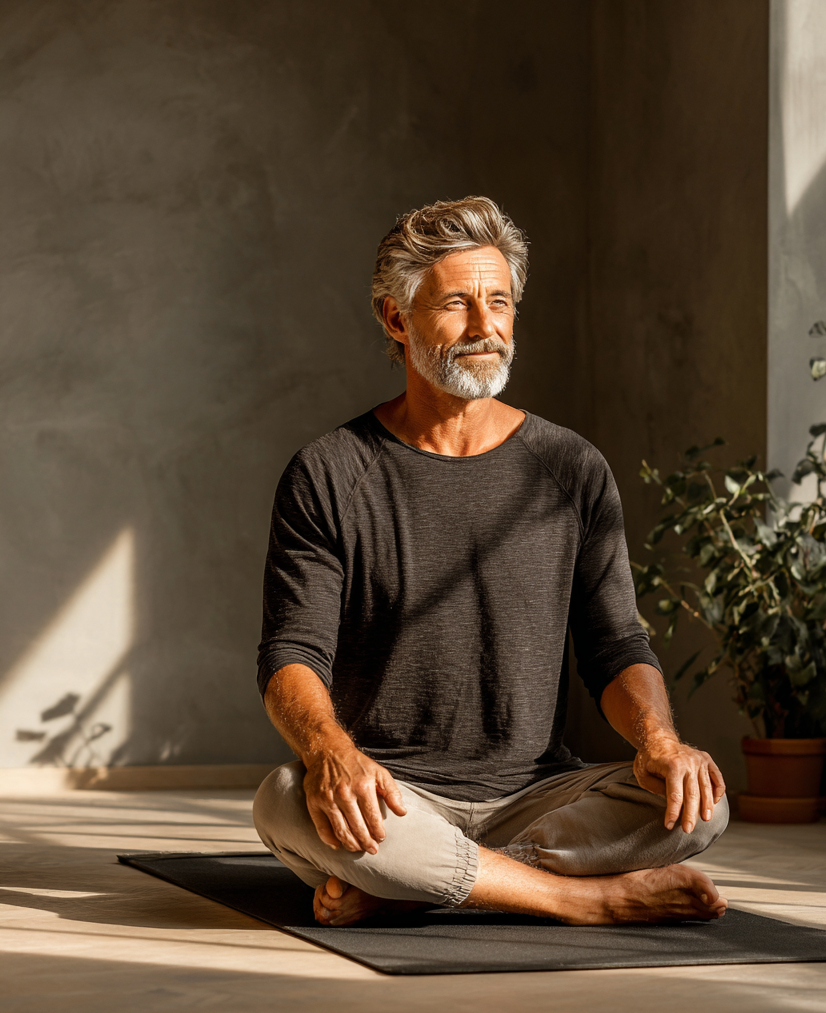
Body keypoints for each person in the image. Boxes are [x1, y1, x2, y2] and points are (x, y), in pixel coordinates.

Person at [252, 196, 729, 927]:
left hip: (539, 797)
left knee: (701, 804)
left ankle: (417, 880)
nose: (486, 328)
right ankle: (574, 898)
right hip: (390, 794)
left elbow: (615, 646)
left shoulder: (572, 468)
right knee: (284, 799)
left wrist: (660, 741)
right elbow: (293, 652)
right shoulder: (329, 472)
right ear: (395, 319)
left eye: (499, 302)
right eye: (457, 305)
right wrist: (329, 753)